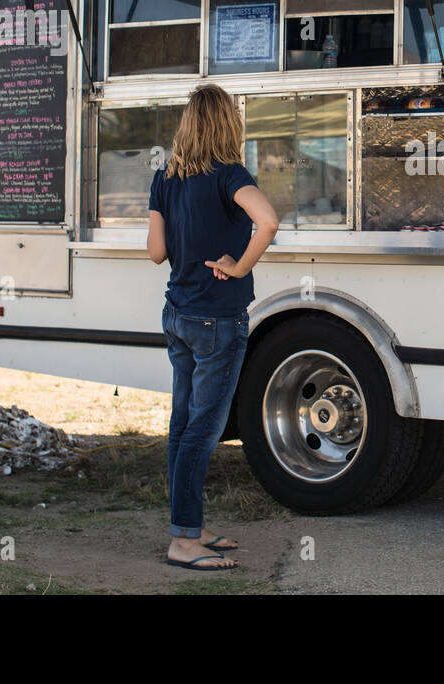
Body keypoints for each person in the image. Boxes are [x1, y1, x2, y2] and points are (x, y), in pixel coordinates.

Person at [146, 84, 279, 571]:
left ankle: (190, 525)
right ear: (230, 125)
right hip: (217, 319)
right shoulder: (229, 175)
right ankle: (182, 541)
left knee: (183, 425)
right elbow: (267, 221)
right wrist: (239, 267)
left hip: (177, 315)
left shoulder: (166, 177)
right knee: (203, 429)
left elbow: (156, 252)